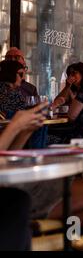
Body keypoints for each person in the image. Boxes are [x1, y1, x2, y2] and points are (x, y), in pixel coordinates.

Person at [0, 103, 48, 250]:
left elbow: (5, 161)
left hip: (14, 188)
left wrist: (24, 131)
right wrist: (15, 126)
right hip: (16, 197)